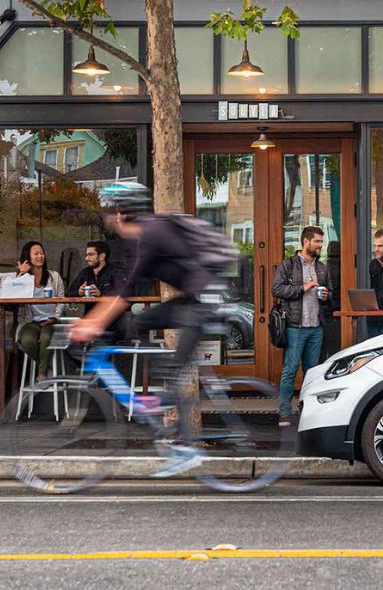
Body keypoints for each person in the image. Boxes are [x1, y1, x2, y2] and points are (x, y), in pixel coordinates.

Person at [69, 182, 222, 477]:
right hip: (193, 299)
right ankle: (157, 400)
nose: (108, 219)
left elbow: (125, 291)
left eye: (109, 212)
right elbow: (126, 292)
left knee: (172, 369)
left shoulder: (152, 234)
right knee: (136, 323)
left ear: (120, 213)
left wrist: (91, 324)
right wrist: (95, 324)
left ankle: (185, 449)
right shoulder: (143, 237)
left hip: (208, 301)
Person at [272, 226, 334, 427]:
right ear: (306, 242)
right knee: (290, 370)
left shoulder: (322, 268)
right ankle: (284, 412)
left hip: (316, 327)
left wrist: (326, 296)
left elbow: (330, 293)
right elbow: (276, 289)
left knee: (312, 372)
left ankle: (307, 411)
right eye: (317, 241)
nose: (320, 245)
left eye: (321, 242)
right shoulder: (288, 265)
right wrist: (302, 288)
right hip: (295, 327)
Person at [3, 241, 65, 379]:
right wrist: (22, 275)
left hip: (51, 320)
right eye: (36, 253)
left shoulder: (54, 277)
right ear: (28, 257)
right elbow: (13, 298)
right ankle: (46, 368)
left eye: (42, 253)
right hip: (30, 322)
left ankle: (42, 374)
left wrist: (55, 317)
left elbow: (62, 300)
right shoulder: (21, 278)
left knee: (46, 338)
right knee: (27, 340)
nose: (40, 256)